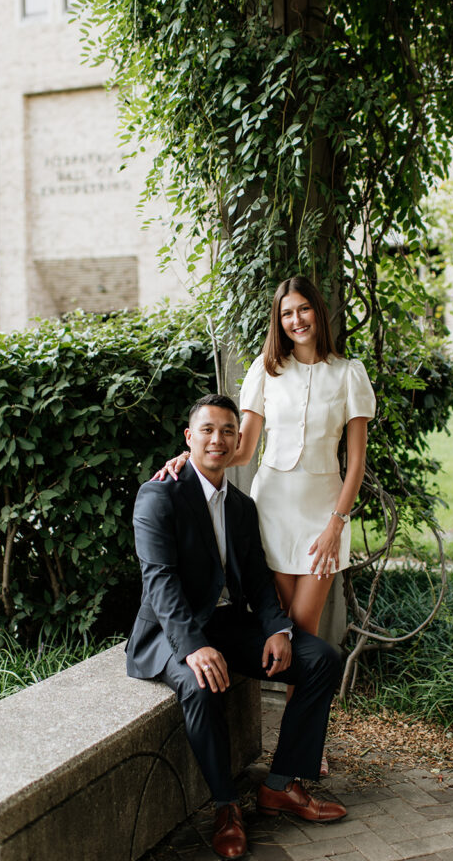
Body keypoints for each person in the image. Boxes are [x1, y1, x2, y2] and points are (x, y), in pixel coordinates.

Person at [156, 276, 376, 772]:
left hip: (324, 513)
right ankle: (299, 749)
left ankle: (300, 749)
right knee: (285, 631)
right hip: (271, 510)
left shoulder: (349, 373)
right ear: (278, 320)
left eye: (303, 310)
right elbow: (244, 447)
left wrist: (338, 522)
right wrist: (189, 457)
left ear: (318, 312)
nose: (296, 320)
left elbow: (356, 462)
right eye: (286, 313)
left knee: (305, 631)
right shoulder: (265, 370)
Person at [127, 393, 347, 861]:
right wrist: (192, 647)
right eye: (207, 429)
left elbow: (259, 574)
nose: (218, 439)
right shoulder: (158, 494)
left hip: (228, 623)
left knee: (320, 660)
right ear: (189, 438)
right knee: (202, 684)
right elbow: (159, 580)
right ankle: (226, 807)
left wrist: (276, 628)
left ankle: (282, 784)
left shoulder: (241, 506)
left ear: (238, 440)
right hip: (170, 631)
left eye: (228, 430)